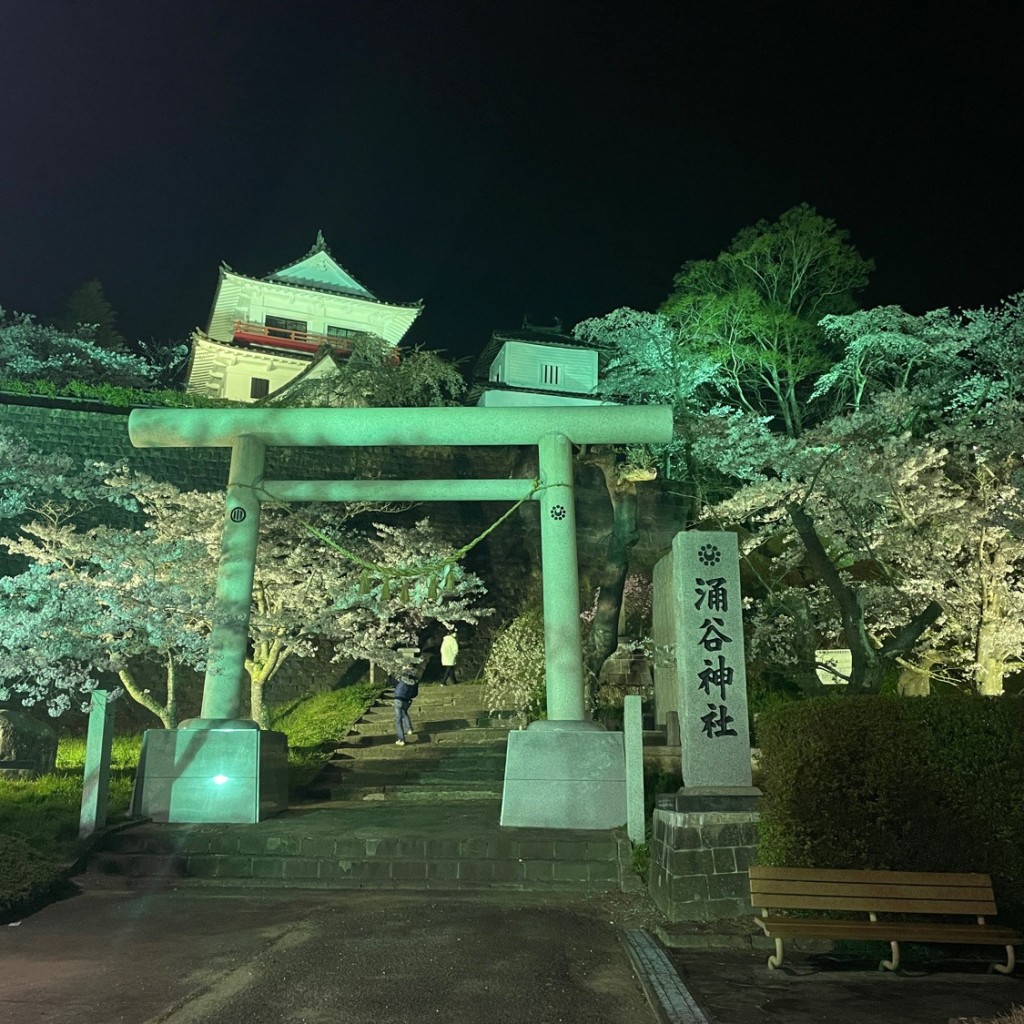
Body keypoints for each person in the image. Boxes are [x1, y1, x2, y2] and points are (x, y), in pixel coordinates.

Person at [391, 671, 418, 746]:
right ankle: (409, 729)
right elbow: (415, 694)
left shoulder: (402, 680)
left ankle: (401, 739)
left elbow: (395, 689)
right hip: (407, 701)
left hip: (398, 699)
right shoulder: (414, 682)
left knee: (398, 719)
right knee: (404, 712)